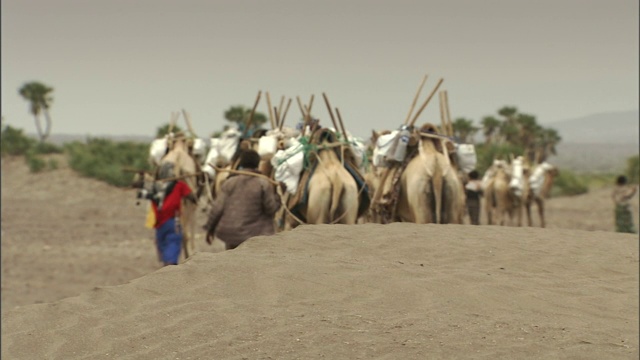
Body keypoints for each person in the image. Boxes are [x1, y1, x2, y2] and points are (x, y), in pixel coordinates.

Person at [203, 149, 283, 250]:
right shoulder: (263, 184)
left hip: (231, 235)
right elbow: (271, 209)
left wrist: (210, 229)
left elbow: (217, 208)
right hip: (255, 237)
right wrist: (279, 195)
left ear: (241, 164)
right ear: (257, 164)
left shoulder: (230, 182)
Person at [149, 179, 197, 266]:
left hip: (159, 225)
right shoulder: (179, 185)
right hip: (173, 222)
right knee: (172, 247)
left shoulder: (155, 187)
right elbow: (193, 197)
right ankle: (170, 271)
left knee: (164, 249)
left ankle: (166, 269)